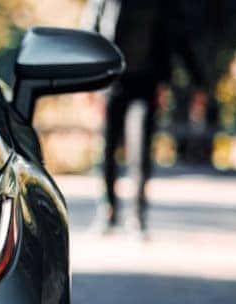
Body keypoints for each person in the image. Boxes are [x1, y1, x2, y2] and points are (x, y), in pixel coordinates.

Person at [82, 0, 207, 235]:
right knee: (108, 149)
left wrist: (197, 82)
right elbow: (90, 33)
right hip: (112, 81)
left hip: (147, 85)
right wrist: (89, 83)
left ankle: (137, 216)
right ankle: (107, 212)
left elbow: (178, 38)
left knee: (141, 151)